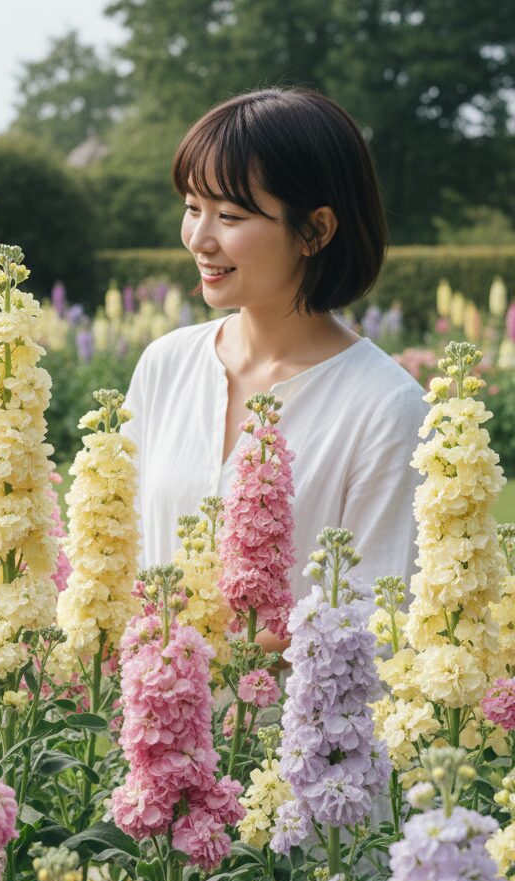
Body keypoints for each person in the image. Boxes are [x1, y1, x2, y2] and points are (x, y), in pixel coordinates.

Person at [122, 87, 426, 651]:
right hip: (141, 724)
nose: (198, 238)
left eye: (230, 215)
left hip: (287, 735)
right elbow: (118, 558)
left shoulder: (386, 407)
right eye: (193, 208)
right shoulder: (165, 365)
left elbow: (378, 628)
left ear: (316, 230)